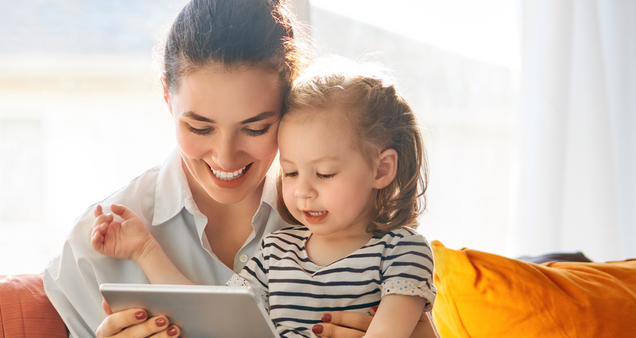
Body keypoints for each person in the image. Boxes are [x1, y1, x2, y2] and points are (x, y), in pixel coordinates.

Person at [43, 0, 437, 336]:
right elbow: (214, 310)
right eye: (200, 127)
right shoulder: (89, 251)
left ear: (288, 105)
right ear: (167, 96)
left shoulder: (347, 223)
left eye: (255, 128)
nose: (226, 157)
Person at [91, 56, 435, 338]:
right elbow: (212, 317)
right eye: (291, 172)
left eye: (325, 173)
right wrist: (145, 251)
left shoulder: (402, 251)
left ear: (381, 169)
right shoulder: (275, 252)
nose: (303, 191)